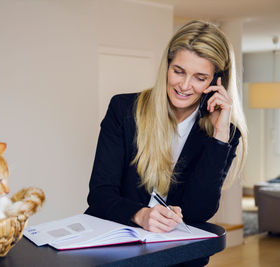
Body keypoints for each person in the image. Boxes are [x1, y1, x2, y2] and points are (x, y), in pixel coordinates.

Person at [85, 20, 248, 266]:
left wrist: (220, 134)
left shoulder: (225, 134)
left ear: (217, 82)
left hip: (179, 257)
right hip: (117, 251)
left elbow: (198, 212)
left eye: (199, 77)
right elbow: (100, 194)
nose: (184, 86)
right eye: (178, 71)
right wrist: (140, 215)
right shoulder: (124, 110)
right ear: (167, 66)